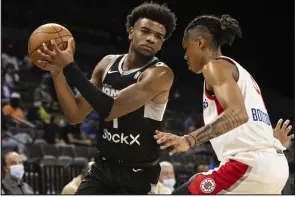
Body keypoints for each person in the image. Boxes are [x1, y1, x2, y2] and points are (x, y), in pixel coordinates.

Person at [35, 2, 176, 194]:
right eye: (145, 31)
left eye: (158, 36)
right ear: (130, 32)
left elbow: (110, 110)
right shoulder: (107, 64)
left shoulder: (160, 74)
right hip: (102, 168)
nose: (151, 38)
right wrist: (58, 73)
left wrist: (69, 66)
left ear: (161, 43)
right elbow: (75, 115)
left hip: (137, 174)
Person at [154, 14, 291, 194]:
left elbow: (238, 114)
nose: (185, 56)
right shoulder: (241, 73)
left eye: (186, 48)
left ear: (200, 43)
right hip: (274, 165)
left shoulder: (215, 67)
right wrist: (271, 142)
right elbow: (249, 118)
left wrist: (189, 140)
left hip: (248, 166)